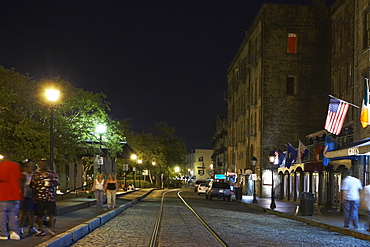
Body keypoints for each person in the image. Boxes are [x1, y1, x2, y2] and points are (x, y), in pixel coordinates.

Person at [31, 159, 59, 236]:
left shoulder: (51, 174)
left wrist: (51, 183)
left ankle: (51, 228)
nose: (43, 165)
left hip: (49, 197)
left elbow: (57, 182)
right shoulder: (36, 174)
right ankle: (41, 229)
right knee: (39, 214)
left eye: (44, 164)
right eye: (41, 164)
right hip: (39, 197)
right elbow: (32, 184)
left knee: (51, 214)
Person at [0, 158, 23, 240]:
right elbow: (20, 180)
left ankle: (3, 234)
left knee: (2, 216)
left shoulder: (1, 166)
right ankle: (14, 233)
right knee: (14, 215)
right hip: (14, 195)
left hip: (2, 195)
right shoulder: (16, 166)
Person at [19, 161, 38, 235]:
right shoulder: (23, 175)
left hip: (32, 195)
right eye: (27, 166)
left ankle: (31, 227)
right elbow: (21, 185)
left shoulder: (33, 175)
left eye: (30, 166)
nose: (29, 168)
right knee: (23, 212)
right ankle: (20, 227)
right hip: (25, 195)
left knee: (32, 212)